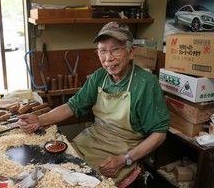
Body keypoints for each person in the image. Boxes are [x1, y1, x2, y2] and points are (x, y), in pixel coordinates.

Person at [17, 21, 170, 186]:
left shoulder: (146, 83)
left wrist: (125, 159)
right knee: (51, 171)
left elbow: (159, 134)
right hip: (90, 141)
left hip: (121, 150)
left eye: (116, 50)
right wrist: (39, 120)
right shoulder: (99, 76)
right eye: (102, 51)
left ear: (130, 52)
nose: (108, 58)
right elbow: (73, 106)